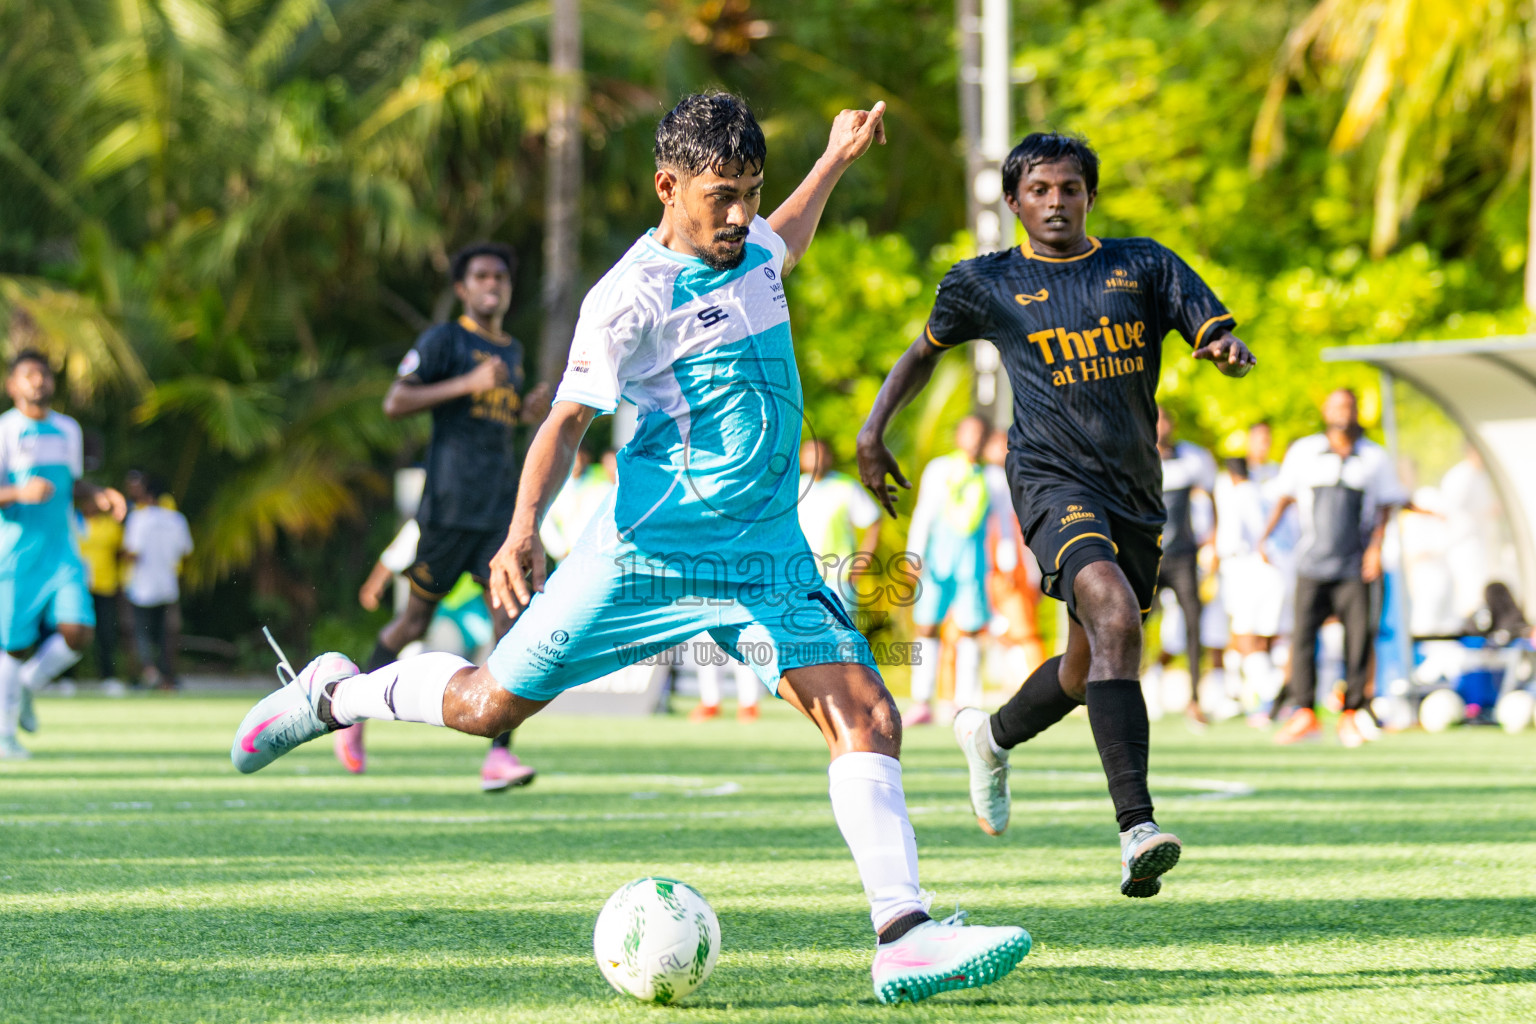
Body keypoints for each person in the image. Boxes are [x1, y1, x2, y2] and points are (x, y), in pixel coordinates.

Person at [232, 93, 1029, 1004]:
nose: (740, 216)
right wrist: (524, 527)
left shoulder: (755, 246)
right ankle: (338, 691)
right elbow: (566, 422)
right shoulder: (629, 298)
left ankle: (904, 935)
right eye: (722, 196)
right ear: (668, 186)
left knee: (869, 714)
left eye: (751, 193)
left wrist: (838, 154)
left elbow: (790, 233)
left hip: (765, 557)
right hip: (645, 557)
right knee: (488, 708)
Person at [858, 131, 1255, 895]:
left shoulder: (1142, 265)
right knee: (1113, 616)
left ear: (1090, 196)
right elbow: (920, 354)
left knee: (1085, 666)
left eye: (1069, 188)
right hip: (1049, 480)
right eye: (1039, 190)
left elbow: (1213, 327)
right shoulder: (986, 283)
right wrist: (872, 433)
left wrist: (1227, 348)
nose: (1055, 202)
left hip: (1135, 493)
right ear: (1013, 202)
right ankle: (1138, 828)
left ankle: (992, 734)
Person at [340, 241, 554, 790]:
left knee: (512, 626)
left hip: (497, 517)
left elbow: (492, 428)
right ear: (461, 288)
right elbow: (395, 401)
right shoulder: (445, 341)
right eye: (481, 275)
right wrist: (466, 383)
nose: (492, 284)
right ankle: (349, 710)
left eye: (500, 276)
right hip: (447, 512)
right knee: (412, 623)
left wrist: (529, 415)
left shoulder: (512, 351)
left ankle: (499, 755)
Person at [1263, 388, 1406, 747]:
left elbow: (1386, 506)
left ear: (1357, 411)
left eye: (1350, 405)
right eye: (1337, 405)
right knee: (1302, 639)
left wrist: (1375, 549)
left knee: (1358, 639)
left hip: (1355, 566)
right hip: (1312, 563)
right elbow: (1284, 496)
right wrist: (1264, 537)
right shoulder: (1304, 452)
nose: (1344, 411)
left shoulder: (1374, 457)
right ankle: (1304, 713)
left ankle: (1352, 713)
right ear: (1325, 410)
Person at [0, 350, 126, 758]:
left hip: (63, 551)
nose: (38, 382)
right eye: (29, 376)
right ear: (12, 385)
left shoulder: (68, 429)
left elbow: (73, 486)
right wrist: (20, 492)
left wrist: (101, 494)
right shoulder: (5, 430)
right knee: (14, 647)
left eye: (44, 375)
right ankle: (5, 738)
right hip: (17, 554)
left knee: (77, 632)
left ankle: (26, 688)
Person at [903, 415, 994, 725]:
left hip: (973, 563)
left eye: (981, 434)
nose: (975, 440)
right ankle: (922, 701)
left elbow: (1005, 524)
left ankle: (964, 702)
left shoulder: (992, 478)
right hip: (937, 560)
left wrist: (1007, 563)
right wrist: (914, 555)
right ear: (958, 436)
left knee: (970, 629)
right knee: (927, 625)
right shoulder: (939, 469)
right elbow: (924, 514)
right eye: (969, 432)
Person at [1149, 406, 1217, 725]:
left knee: (1194, 625)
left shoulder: (1193, 458)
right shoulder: (1137, 457)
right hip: (1148, 555)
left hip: (1184, 557)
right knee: (1131, 625)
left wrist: (1211, 538)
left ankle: (1194, 699)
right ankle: (1131, 692)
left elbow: (1210, 498)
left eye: (1165, 418)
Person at [1213, 457, 1286, 715]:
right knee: (1255, 637)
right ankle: (1257, 694)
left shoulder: (1243, 493)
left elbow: (1258, 530)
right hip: (1251, 566)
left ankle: (1272, 693)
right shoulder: (1255, 491)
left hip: (1245, 566)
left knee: (1244, 634)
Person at [122, 471, 193, 690]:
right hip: (167, 585)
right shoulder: (176, 519)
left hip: (142, 585)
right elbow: (186, 550)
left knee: (140, 632)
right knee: (166, 634)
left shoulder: (138, 519)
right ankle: (167, 677)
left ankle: (149, 672)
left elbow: (133, 553)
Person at [78, 504, 126, 689]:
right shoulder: (73, 520)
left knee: (106, 633)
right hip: (79, 586)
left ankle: (108, 676)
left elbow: (121, 552)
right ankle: (67, 678)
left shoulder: (110, 524)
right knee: (74, 631)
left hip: (105, 586)